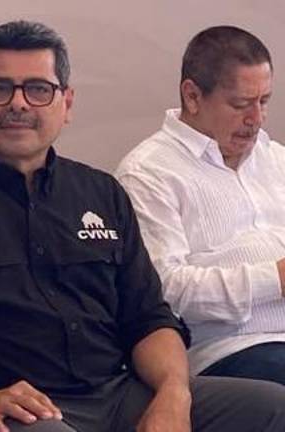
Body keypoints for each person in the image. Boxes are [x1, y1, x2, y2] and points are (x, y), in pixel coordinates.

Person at [0, 21, 285, 432]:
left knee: (271, 407)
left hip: (116, 397)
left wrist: (173, 395)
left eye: (38, 89)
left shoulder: (101, 194)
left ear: (66, 103)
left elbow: (149, 318)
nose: (18, 103)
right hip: (0, 413)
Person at [116, 25, 285, 385]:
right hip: (232, 350)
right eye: (240, 104)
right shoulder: (149, 173)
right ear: (192, 96)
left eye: (264, 101)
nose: (256, 119)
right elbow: (167, 291)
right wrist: (276, 279)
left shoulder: (275, 158)